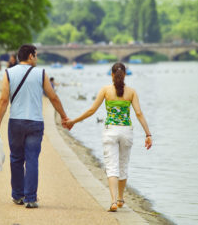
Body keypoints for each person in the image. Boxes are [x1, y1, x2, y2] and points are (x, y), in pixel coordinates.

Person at [65, 62, 153, 212]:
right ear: (124, 75)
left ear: (111, 75)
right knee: (123, 165)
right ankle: (120, 198)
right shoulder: (131, 92)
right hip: (126, 131)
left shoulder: (105, 90)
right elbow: (139, 113)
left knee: (112, 167)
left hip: (110, 131)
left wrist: (74, 121)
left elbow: (92, 110)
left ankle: (113, 201)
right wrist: (148, 134)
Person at [0, 44, 70, 209]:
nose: (37, 58)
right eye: (36, 55)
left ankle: (18, 195)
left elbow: (3, 100)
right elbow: (53, 97)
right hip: (35, 122)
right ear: (31, 56)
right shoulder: (41, 73)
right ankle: (31, 198)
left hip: (16, 121)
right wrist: (64, 116)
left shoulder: (8, 73)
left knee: (16, 158)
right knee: (32, 159)